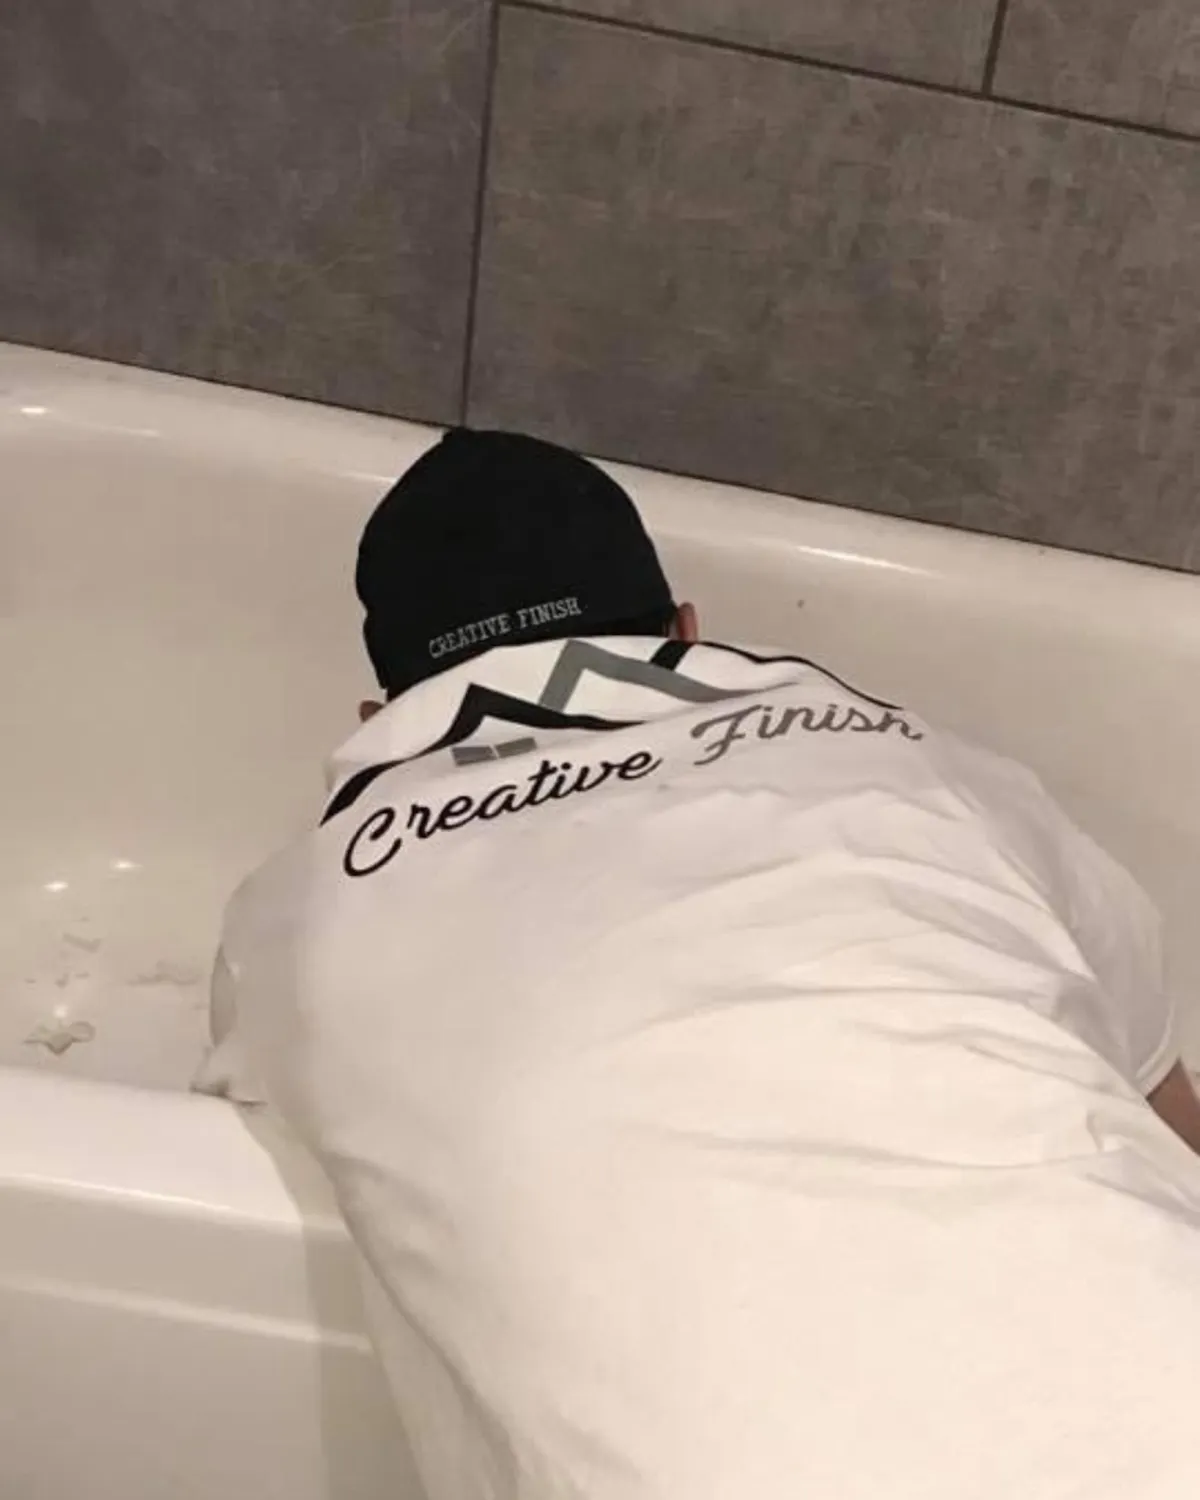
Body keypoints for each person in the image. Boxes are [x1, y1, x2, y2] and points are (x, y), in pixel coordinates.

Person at [199, 429, 1200, 1500]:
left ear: (382, 716)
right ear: (684, 630)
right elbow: (1166, 1113)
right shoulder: (944, 775)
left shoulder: (299, 912)